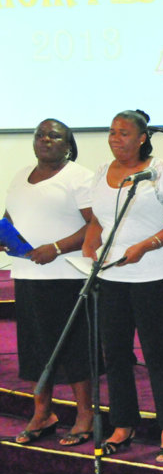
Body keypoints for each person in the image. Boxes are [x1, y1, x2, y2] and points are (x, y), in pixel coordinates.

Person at [82, 110, 163, 463]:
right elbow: (98, 220)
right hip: (111, 276)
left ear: (142, 137)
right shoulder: (102, 172)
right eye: (112, 132)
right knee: (114, 354)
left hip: (152, 276)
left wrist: (147, 245)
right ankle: (123, 423)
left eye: (124, 133)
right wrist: (88, 251)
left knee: (156, 354)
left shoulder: (160, 171)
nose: (115, 138)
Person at [4, 119, 94, 447]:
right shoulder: (20, 175)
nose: (45, 140)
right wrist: (5, 236)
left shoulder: (79, 177)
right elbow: (11, 217)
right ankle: (43, 413)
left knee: (72, 348)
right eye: (40, 135)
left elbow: (94, 225)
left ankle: (85, 415)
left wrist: (56, 248)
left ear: (67, 144)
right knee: (35, 349)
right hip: (27, 275)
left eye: (53, 135)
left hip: (66, 275)